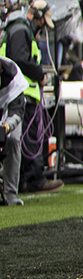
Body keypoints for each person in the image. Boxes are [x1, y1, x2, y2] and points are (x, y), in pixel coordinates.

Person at [1, 0, 59, 195]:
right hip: (20, 93)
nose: (43, 27)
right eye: (43, 22)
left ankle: (25, 180)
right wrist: (39, 74)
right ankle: (34, 180)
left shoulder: (20, 28)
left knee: (24, 140)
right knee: (27, 140)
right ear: (38, 16)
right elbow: (18, 59)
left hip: (19, 92)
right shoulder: (21, 30)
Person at [1, 54, 28, 206]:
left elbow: (17, 110)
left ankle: (11, 193)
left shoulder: (14, 76)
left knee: (12, 140)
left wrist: (7, 126)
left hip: (9, 113)